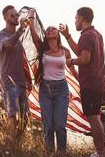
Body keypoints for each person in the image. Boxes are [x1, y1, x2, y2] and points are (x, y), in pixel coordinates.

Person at [59, 7, 105, 157]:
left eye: (75, 18)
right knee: (95, 115)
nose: (75, 21)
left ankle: (101, 151)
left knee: (93, 116)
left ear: (81, 18)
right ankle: (101, 150)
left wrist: (71, 61)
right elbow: (82, 51)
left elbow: (84, 59)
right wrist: (67, 36)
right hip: (98, 81)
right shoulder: (95, 34)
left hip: (90, 83)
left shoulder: (86, 36)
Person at [28, 9, 77, 154]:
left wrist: (80, 82)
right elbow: (32, 30)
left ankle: (61, 153)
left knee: (60, 125)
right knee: (48, 126)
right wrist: (31, 16)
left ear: (58, 34)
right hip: (45, 89)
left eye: (53, 29)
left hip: (61, 89)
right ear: (46, 34)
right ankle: (49, 153)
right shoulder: (42, 48)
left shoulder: (65, 51)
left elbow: (73, 70)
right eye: (48, 29)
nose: (50, 30)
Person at [0, 5, 32, 144]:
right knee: (13, 115)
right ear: (5, 17)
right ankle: (9, 148)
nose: (16, 17)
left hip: (21, 81)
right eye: (12, 15)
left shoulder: (18, 38)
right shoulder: (1, 35)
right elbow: (8, 45)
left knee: (25, 117)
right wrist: (21, 30)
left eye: (17, 15)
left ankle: (14, 144)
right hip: (8, 81)